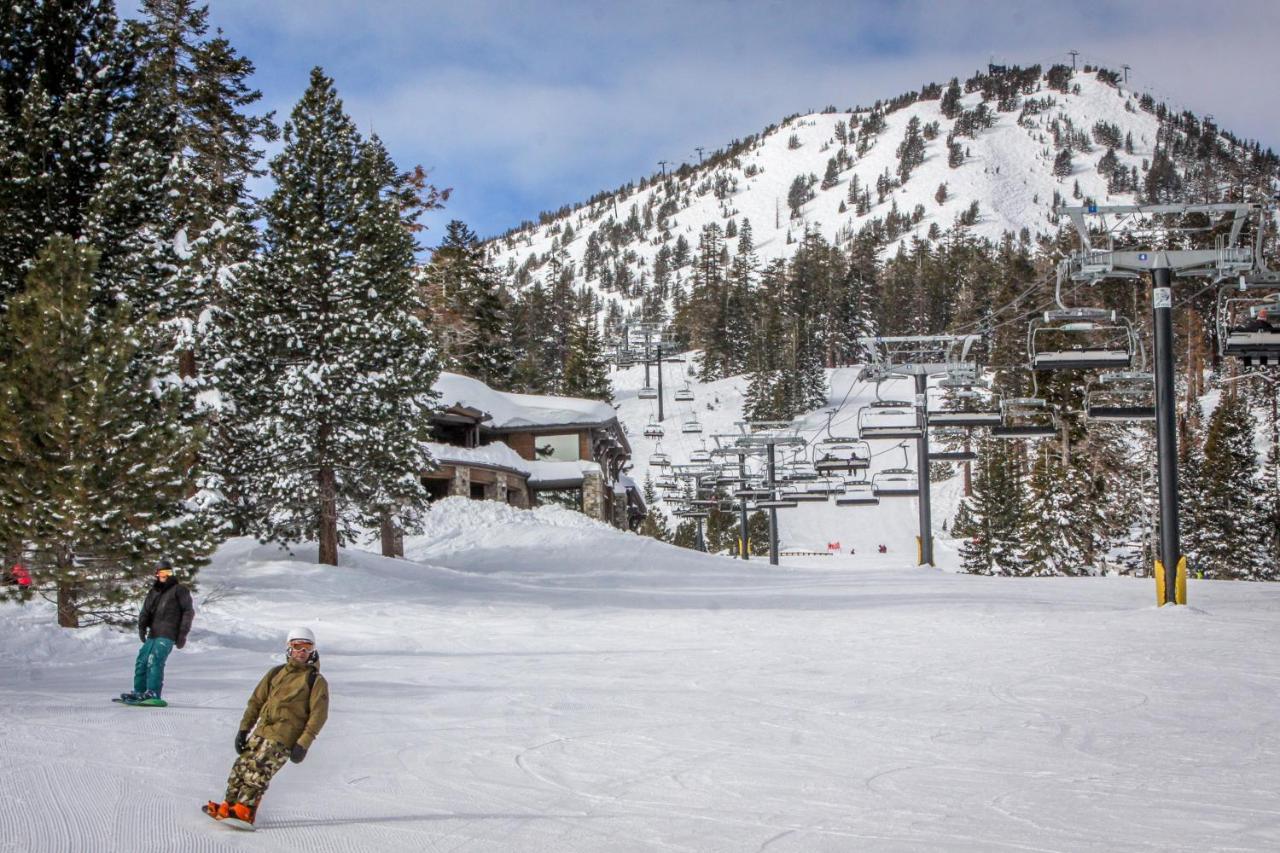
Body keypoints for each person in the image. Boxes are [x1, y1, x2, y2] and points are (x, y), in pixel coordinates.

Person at [205, 627, 330, 828]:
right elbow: (256, 701)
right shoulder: (276, 673)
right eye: (297, 646)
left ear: (312, 651)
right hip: (262, 730)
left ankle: (245, 810)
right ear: (289, 648)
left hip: (284, 737)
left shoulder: (315, 680)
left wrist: (303, 743)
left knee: (258, 771)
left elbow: (319, 715)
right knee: (241, 768)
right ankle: (229, 804)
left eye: (307, 647)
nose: (302, 651)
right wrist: (244, 729)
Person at [122, 558, 193, 705]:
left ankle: (153, 692)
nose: (165, 575)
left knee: (155, 660)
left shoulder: (179, 590)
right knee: (141, 660)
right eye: (162, 572)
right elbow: (145, 611)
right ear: (157, 574)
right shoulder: (153, 592)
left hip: (168, 633)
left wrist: (182, 634)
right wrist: (142, 627)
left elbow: (188, 612)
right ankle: (140, 692)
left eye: (168, 572)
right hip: (153, 633)